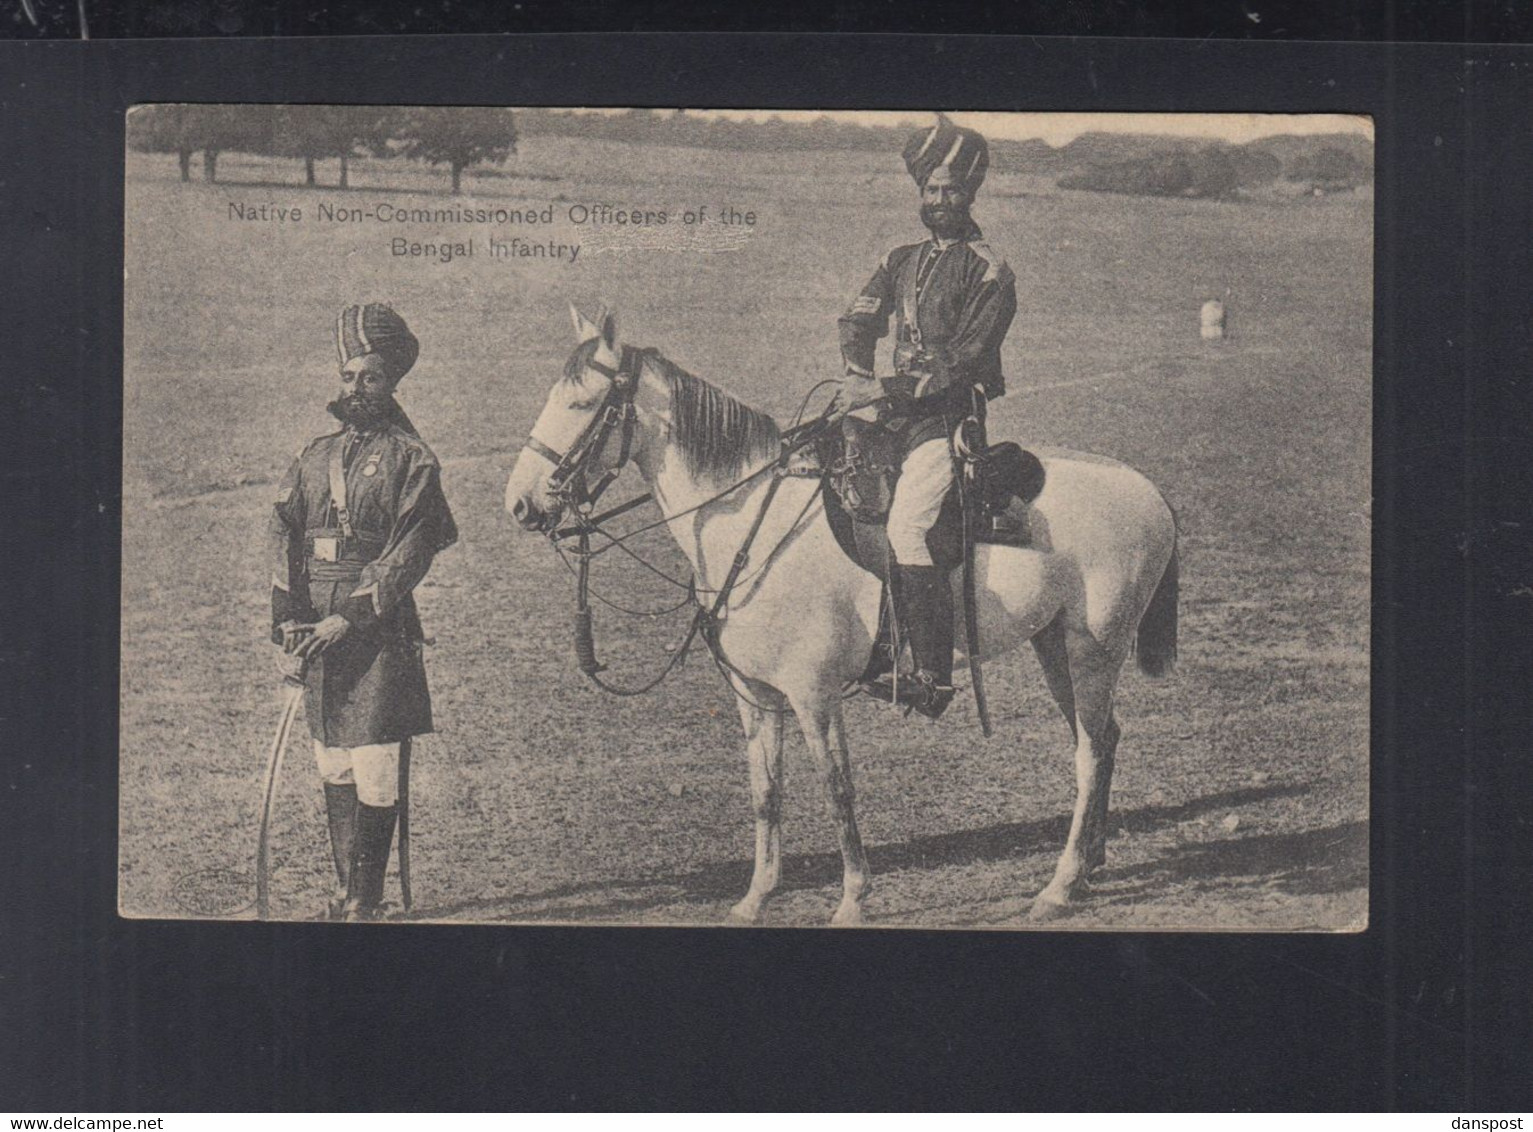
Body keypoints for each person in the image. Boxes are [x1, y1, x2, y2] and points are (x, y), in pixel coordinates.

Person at [268, 302, 458, 920]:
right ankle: (347, 888)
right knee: (332, 761)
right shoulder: (313, 453)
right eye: (348, 376)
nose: (356, 388)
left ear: (392, 382)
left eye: (369, 377)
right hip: (314, 633)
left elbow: (412, 550)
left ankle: (365, 901)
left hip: (376, 629)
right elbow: (285, 534)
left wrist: (346, 617)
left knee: (375, 762)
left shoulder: (413, 458)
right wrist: (290, 620)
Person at [835, 115, 1018, 719]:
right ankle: (870, 645)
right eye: (930, 191)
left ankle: (933, 676)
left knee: (909, 525)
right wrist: (857, 371)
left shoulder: (990, 269)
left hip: (947, 420)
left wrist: (886, 386)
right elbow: (859, 318)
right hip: (892, 413)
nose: (939, 202)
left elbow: (963, 360)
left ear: (970, 196)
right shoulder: (899, 258)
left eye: (951, 191)